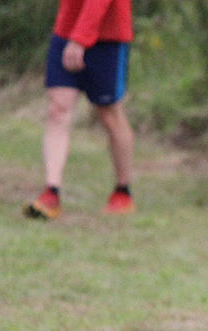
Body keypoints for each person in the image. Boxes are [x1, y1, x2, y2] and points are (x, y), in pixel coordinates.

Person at [24, 0, 135, 219]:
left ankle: (123, 191)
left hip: (108, 38)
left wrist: (80, 38)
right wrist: (73, 36)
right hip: (66, 30)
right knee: (58, 109)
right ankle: (51, 192)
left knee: (109, 114)